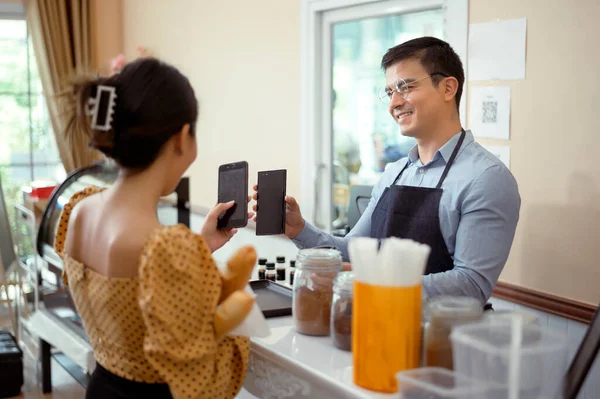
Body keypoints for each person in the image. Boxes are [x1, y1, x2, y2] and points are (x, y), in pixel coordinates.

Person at [254, 37, 521, 305]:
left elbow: (471, 285)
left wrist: (373, 279)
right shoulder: (395, 172)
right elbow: (353, 252)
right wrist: (299, 229)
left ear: (448, 88)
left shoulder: (487, 178)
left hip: (442, 340)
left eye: (405, 87)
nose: (394, 103)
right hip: (379, 324)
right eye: (390, 92)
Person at [56, 58, 255, 399]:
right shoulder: (162, 247)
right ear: (182, 138)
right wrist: (237, 327)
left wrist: (198, 247)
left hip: (102, 388)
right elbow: (206, 386)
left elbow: (128, 297)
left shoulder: (80, 211)